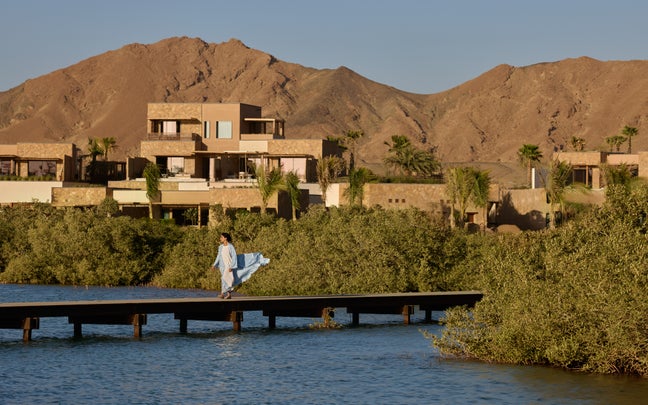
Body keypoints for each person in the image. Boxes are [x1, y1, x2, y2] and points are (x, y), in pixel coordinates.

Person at [211, 232, 270, 299]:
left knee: (224, 279)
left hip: (229, 265)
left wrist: (232, 266)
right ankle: (228, 294)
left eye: (221, 237)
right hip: (222, 265)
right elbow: (218, 256)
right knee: (228, 279)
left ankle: (222, 294)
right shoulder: (220, 247)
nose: (220, 238)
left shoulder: (230, 246)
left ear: (225, 238)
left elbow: (234, 257)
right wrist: (214, 265)